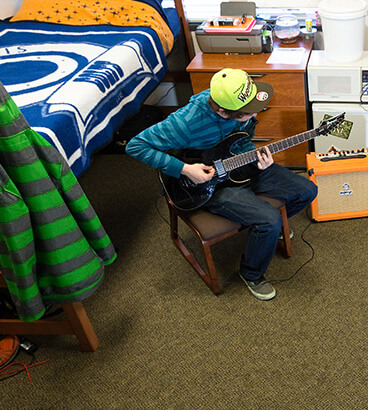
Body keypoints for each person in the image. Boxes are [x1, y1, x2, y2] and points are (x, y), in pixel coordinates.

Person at [126, 68, 317, 300]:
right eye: (247, 114)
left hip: (242, 166)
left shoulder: (239, 102)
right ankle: (251, 274)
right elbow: (135, 146)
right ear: (223, 112)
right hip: (208, 184)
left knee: (307, 190)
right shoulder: (185, 122)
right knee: (270, 219)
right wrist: (185, 170)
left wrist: (257, 157)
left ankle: (267, 234)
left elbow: (243, 140)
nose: (255, 116)